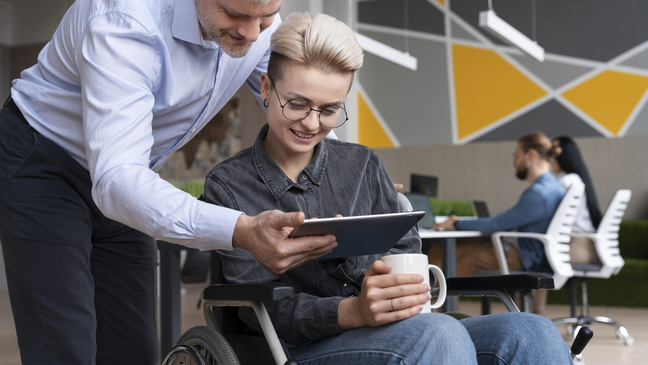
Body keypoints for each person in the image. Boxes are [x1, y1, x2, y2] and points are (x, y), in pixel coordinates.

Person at [203, 13, 573, 364]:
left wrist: (374, 277)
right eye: (298, 104)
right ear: (266, 87)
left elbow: (406, 254)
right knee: (440, 334)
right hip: (295, 346)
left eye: (330, 109)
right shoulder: (229, 185)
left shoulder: (363, 165)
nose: (312, 123)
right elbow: (259, 308)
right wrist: (353, 310)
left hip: (394, 328)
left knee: (534, 332)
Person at [0, 1, 339, 364]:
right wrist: (241, 230)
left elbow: (300, 112)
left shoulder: (258, 25)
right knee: (65, 347)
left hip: (131, 173)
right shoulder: (125, 20)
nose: (253, 33)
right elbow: (117, 180)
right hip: (45, 161)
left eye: (266, 16)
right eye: (236, 15)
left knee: (133, 349)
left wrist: (351, 180)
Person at [430, 132, 564, 315]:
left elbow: (497, 224)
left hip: (520, 255)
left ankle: (451, 325)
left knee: (448, 276)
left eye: (516, 157)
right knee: (438, 251)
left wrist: (457, 223)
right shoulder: (554, 186)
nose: (514, 163)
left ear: (530, 155)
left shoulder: (539, 193)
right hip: (519, 249)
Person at [551, 136, 602, 264]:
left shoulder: (567, 181)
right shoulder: (579, 179)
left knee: (531, 258)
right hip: (592, 247)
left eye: (552, 156)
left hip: (575, 248)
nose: (550, 161)